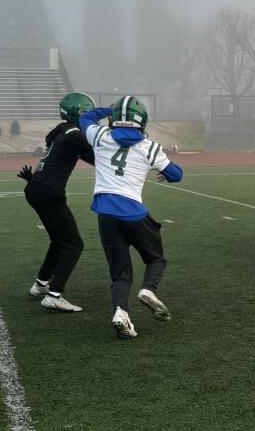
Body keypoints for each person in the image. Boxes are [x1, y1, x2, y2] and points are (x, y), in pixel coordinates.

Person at [80, 96, 183, 339]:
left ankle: (120, 312)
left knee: (120, 272)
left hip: (105, 213)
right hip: (134, 213)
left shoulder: (100, 136)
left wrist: (110, 110)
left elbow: (85, 117)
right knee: (156, 259)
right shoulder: (149, 146)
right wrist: (164, 172)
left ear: (114, 118)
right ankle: (148, 289)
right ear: (142, 121)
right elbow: (177, 174)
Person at [20, 92, 96, 312]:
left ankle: (41, 284)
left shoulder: (63, 131)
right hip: (48, 193)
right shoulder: (74, 134)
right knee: (74, 244)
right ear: (79, 113)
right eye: (88, 113)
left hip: (35, 188)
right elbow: (99, 156)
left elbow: (87, 156)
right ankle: (54, 294)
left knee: (59, 241)